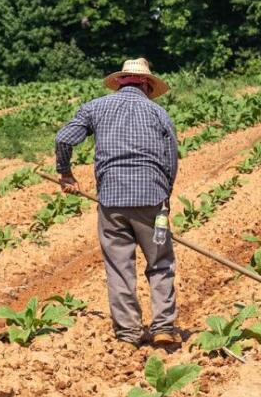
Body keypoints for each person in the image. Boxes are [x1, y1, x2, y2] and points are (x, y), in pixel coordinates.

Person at [54, 58, 179, 348]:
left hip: (112, 202)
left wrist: (65, 173)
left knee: (119, 266)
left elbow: (63, 139)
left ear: (120, 82)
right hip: (153, 201)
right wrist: (165, 197)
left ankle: (128, 333)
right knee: (160, 262)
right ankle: (163, 326)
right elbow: (171, 159)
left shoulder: (95, 108)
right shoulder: (159, 113)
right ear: (147, 85)